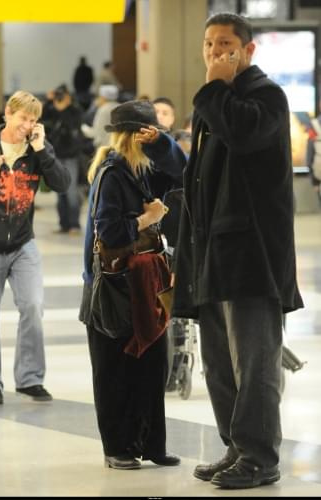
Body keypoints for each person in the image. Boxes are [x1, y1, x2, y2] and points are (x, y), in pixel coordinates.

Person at [171, 13, 303, 490]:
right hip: (213, 255)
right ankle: (236, 447)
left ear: (247, 50)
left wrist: (213, 89)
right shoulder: (217, 101)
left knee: (255, 364)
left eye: (224, 44)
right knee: (220, 365)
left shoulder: (265, 96)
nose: (213, 52)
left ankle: (261, 455)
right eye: (208, 44)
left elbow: (243, 134)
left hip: (253, 257)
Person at [80, 99, 186, 470]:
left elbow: (182, 172)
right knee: (115, 370)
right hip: (112, 286)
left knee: (151, 364)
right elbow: (108, 231)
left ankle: (152, 444)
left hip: (143, 284)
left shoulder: (144, 170)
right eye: (144, 134)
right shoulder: (112, 174)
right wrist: (148, 218)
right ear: (130, 138)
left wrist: (162, 142)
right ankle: (118, 447)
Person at [0, 90, 71, 404]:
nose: (28, 125)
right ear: (8, 113)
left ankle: (30, 378)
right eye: (23, 118)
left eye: (33, 120)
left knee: (33, 308)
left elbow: (63, 183)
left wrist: (42, 149)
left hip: (23, 243)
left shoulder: (37, 148)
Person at [44, 85, 83, 234]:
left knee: (71, 191)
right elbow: (42, 119)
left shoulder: (74, 111)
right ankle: (63, 224)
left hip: (71, 156)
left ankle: (75, 224)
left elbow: (74, 124)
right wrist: (48, 102)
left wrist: (67, 105)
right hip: (56, 155)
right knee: (60, 191)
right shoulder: (52, 110)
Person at [81, 84, 119, 149]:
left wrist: (83, 127)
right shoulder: (120, 106)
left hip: (105, 148)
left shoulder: (103, 110)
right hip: (118, 146)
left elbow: (95, 133)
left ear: (103, 97)